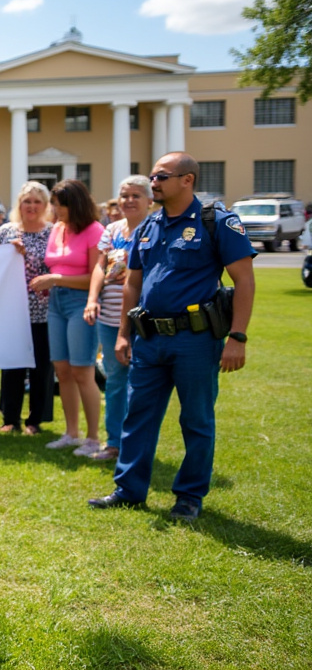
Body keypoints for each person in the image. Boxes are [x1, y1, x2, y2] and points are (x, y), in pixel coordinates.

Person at [90, 152, 255, 521]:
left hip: (195, 339)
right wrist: (122, 335)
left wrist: (237, 337)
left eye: (162, 177)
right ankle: (129, 490)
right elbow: (133, 284)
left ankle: (189, 496)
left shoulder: (217, 222)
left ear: (187, 180)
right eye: (152, 177)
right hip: (149, 339)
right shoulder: (148, 227)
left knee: (196, 419)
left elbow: (244, 281)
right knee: (138, 416)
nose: (154, 183)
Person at [83, 176, 152, 462]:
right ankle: (114, 443)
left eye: (136, 195)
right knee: (114, 379)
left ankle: (136, 443)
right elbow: (100, 266)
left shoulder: (155, 229)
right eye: (124, 195)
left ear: (150, 201)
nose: (129, 201)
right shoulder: (112, 229)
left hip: (143, 318)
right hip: (110, 318)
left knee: (142, 382)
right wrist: (91, 299)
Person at [37, 179, 105, 456]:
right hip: (57, 303)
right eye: (54, 203)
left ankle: (92, 438)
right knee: (62, 371)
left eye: (60, 204)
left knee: (82, 370)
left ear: (75, 204)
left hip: (81, 304)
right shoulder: (57, 228)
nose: (56, 209)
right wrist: (52, 282)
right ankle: (71, 433)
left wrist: (55, 278)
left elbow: (94, 277)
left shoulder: (94, 230)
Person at [0, 182, 56, 434]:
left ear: (45, 206)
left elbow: (58, 265)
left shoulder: (53, 232)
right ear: (18, 204)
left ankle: (35, 420)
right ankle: (10, 418)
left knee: (41, 367)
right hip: (13, 310)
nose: (31, 206)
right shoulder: (6, 232)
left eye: (37, 202)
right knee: (12, 365)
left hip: (44, 310)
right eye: (26, 201)